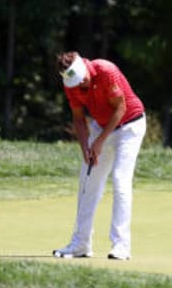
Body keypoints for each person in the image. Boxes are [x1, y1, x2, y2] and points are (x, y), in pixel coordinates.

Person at [52, 51, 146, 260]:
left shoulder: (105, 70)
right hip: (102, 127)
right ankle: (80, 244)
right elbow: (78, 118)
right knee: (88, 182)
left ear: (84, 65)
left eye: (82, 77)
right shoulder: (71, 85)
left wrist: (99, 141)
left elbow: (120, 108)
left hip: (130, 125)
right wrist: (86, 147)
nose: (82, 82)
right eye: (76, 81)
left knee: (120, 180)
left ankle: (121, 246)